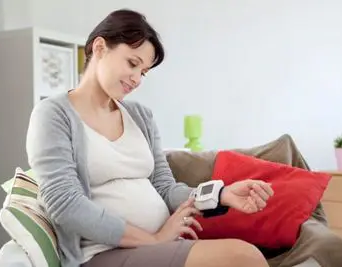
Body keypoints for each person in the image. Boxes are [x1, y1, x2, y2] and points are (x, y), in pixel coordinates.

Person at [26, 8, 274, 267]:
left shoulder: (140, 116)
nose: (136, 79)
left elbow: (166, 188)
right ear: (99, 47)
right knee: (244, 257)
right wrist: (152, 239)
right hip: (103, 253)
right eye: (132, 63)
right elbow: (64, 204)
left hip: (160, 245)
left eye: (143, 72)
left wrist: (222, 195)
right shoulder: (53, 115)